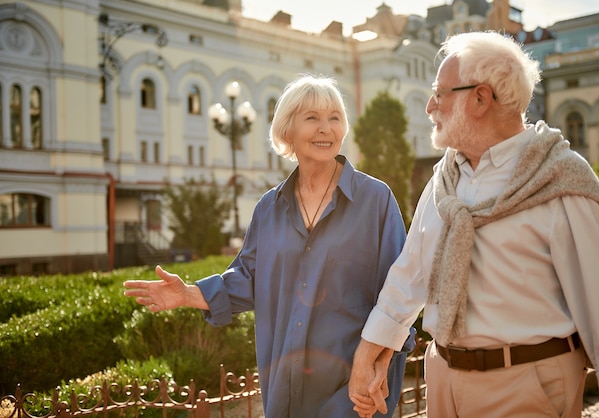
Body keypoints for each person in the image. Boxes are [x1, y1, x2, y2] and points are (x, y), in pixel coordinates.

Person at [349, 31, 599, 418]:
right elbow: (409, 274)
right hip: (442, 378)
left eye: (441, 93)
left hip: (528, 385)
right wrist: (370, 352)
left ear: (479, 98)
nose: (431, 106)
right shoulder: (443, 181)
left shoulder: (561, 178)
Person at [124, 74, 414, 418]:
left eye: (334, 118)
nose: (326, 128)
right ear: (287, 130)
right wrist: (186, 294)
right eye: (312, 118)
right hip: (285, 391)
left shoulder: (375, 200)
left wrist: (382, 361)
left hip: (352, 392)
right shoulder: (269, 208)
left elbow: (399, 294)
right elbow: (247, 279)